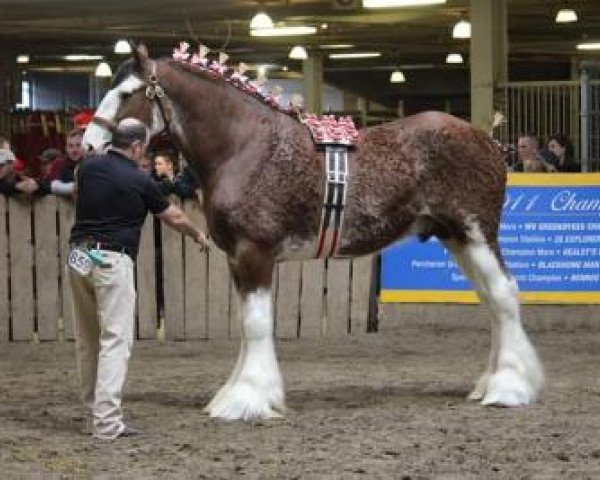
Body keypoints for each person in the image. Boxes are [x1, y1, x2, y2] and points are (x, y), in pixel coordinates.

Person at [68, 118, 209, 440]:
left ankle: (93, 409)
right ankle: (106, 423)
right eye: (144, 145)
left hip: (79, 256)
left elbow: (79, 186)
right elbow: (172, 216)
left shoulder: (88, 167)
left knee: (87, 340)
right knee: (115, 341)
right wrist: (197, 233)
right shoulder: (139, 179)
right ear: (135, 146)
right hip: (111, 259)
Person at [52, 129, 85, 196]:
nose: (74, 150)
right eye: (70, 146)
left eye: (78, 145)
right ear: (66, 148)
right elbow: (48, 185)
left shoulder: (91, 165)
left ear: (84, 146)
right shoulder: (59, 164)